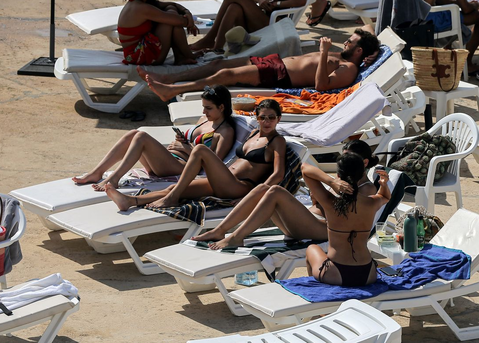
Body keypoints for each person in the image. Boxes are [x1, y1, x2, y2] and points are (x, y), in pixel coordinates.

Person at [104, 99, 288, 211]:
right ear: (257, 118)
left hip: (239, 186)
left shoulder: (277, 141)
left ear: (278, 119)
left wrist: (249, 197)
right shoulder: (253, 133)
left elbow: (278, 175)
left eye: (271, 117)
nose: (267, 122)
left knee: (200, 150)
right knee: (176, 188)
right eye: (262, 117)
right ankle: (130, 201)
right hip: (224, 179)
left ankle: (171, 199)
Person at [193, 140, 378, 248]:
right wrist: (331, 182)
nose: (344, 162)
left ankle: (235, 237)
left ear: (364, 162)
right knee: (263, 188)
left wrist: (325, 196)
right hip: (304, 223)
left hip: (322, 230)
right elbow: (304, 167)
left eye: (349, 158)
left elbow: (349, 221)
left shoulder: (366, 188)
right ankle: (220, 230)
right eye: (343, 157)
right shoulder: (340, 179)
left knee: (275, 191)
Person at [73, 86, 237, 191]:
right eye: (203, 107)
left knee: (141, 137)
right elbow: (192, 143)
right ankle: (97, 172)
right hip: (169, 159)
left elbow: (214, 164)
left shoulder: (225, 132)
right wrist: (182, 141)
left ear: (221, 107)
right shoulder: (204, 120)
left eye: (208, 108)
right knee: (133, 134)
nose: (204, 112)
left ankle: (114, 179)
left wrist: (186, 148)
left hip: (181, 167)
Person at [138, 29, 380, 99]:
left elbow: (322, 86)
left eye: (350, 42)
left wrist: (324, 52)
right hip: (275, 62)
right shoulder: (347, 55)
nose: (345, 41)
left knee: (226, 75)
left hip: (280, 74)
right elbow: (368, 28)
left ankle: (172, 90)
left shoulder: (349, 69)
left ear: (359, 51)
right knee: (219, 63)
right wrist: (375, 50)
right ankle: (170, 78)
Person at [305, 153, 390, 286]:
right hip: (368, 273)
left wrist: (331, 182)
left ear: (338, 175)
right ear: (362, 174)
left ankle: (318, 290)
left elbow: (305, 169)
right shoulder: (371, 203)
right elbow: (385, 197)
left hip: (335, 273)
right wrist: (383, 184)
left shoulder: (330, 202)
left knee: (312, 248)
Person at [118, 0, 198, 66]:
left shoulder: (140, 2)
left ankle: (182, 57)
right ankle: (187, 55)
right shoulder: (142, 8)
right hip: (137, 56)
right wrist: (190, 22)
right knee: (170, 20)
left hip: (139, 49)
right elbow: (180, 21)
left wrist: (187, 12)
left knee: (171, 12)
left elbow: (173, 4)